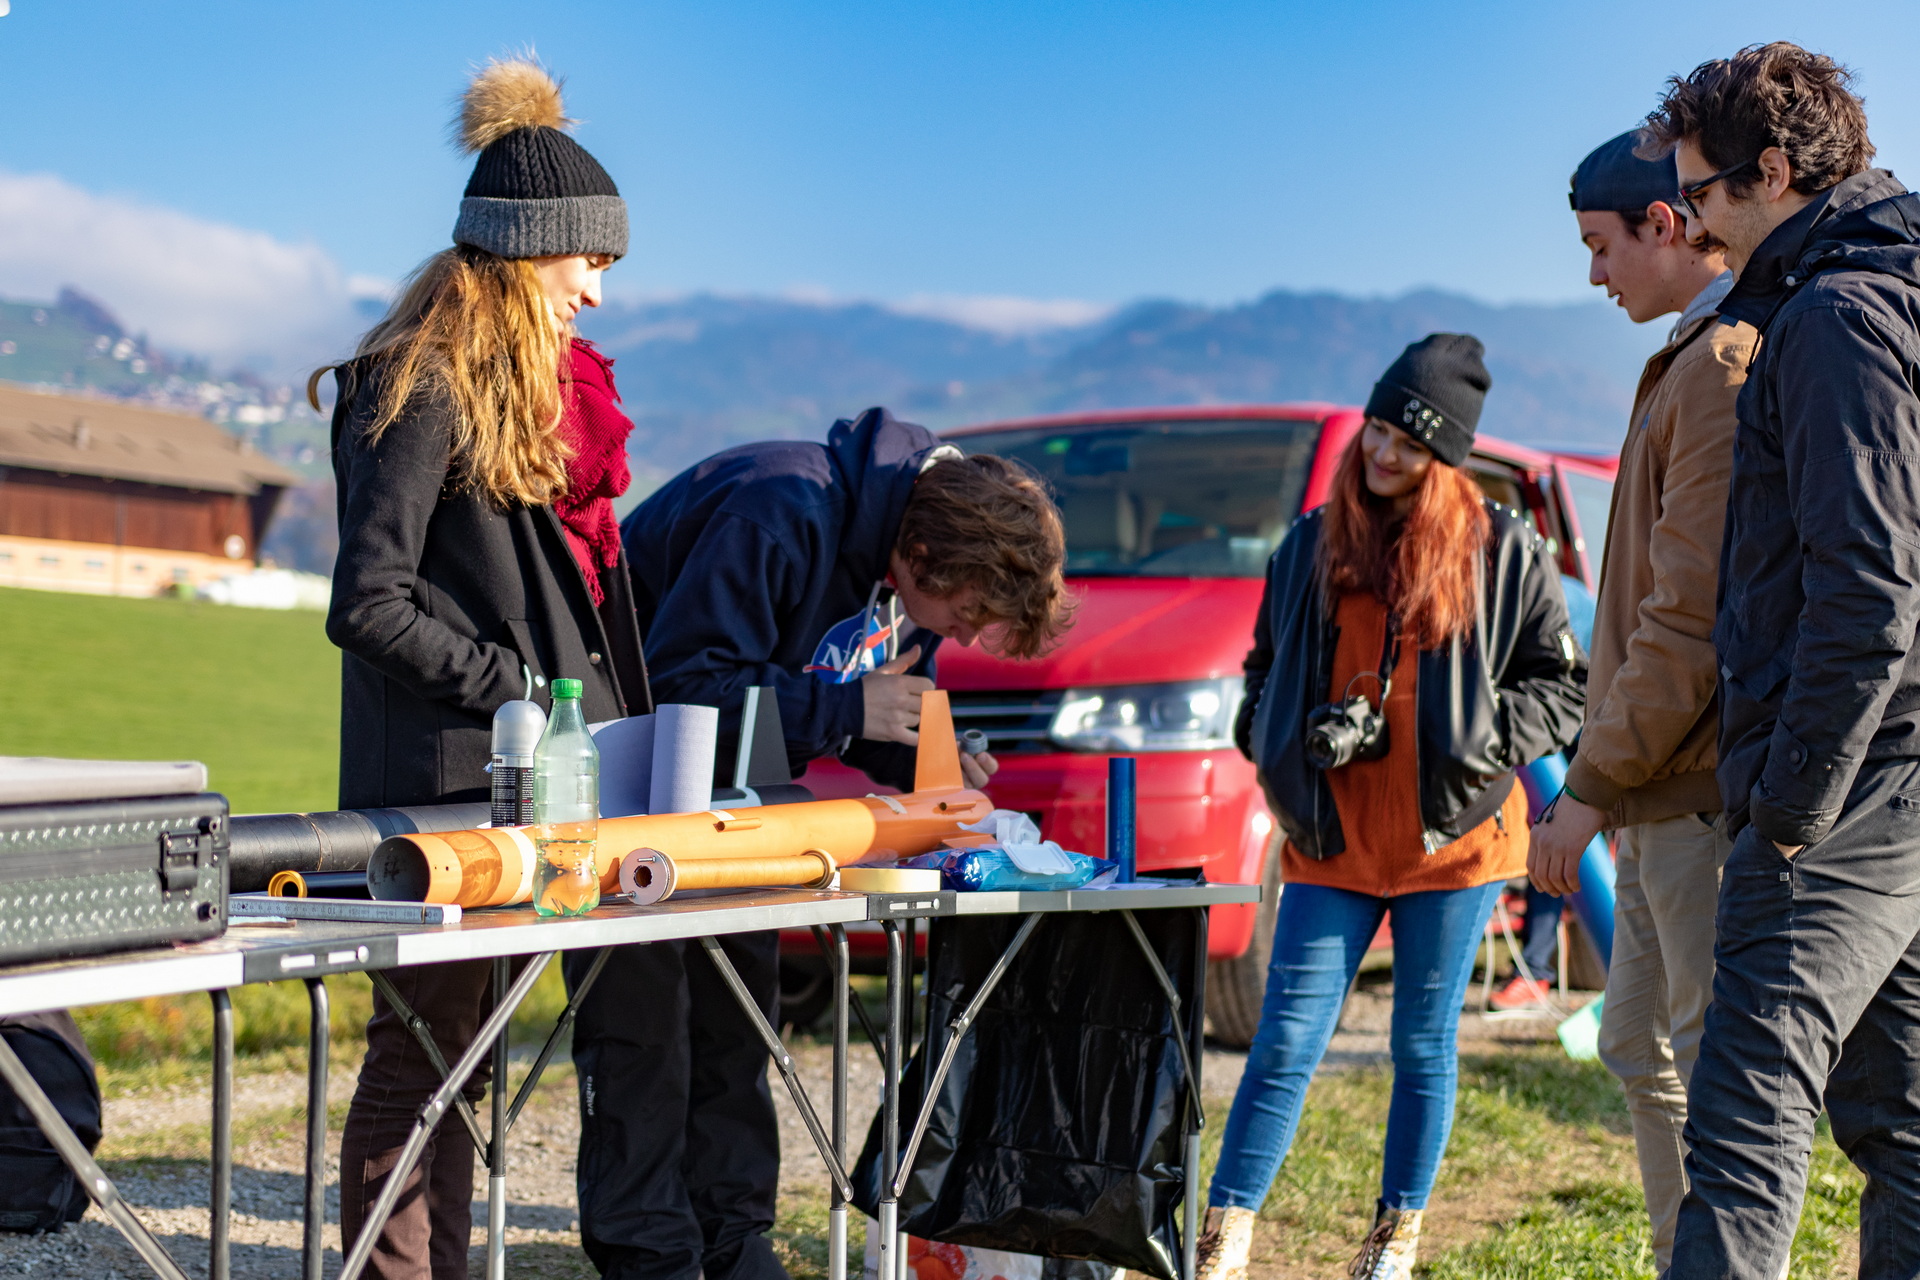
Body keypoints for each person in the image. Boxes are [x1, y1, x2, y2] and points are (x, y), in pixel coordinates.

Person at [563, 411, 1072, 1280]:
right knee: (646, 1036)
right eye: (969, 611)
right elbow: (684, 684)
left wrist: (925, 746)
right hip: (626, 795)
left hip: (743, 804)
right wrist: (844, 712)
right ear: (926, 557)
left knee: (737, 1028)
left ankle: (734, 1242)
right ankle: (650, 1255)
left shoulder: (903, 573)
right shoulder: (776, 507)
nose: (961, 634)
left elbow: (867, 703)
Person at [319, 59, 649, 1279]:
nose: (597, 295)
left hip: (521, 795)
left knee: (468, 1065)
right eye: (589, 264)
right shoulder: (418, 387)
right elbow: (369, 603)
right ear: (529, 251)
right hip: (438, 791)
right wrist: (519, 689)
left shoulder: (512, 390)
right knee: (422, 1061)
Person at [1207, 335, 1586, 1280]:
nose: (1381, 453)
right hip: (1331, 836)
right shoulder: (1309, 544)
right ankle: (1223, 1239)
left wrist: (1489, 741)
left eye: (1408, 442)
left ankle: (1393, 1242)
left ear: (1446, 456)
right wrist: (1270, 738)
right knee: (1285, 1039)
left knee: (1422, 1040)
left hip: (1451, 840)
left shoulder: (1500, 548)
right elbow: (1263, 670)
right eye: (1377, 429)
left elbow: (1561, 683)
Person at [1640, 44, 1920, 1278]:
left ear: (1774, 171)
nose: (1697, 225)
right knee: (1903, 1123)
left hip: (1844, 787)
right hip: (1895, 778)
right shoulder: (1884, 295)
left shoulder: (1834, 320)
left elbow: (1866, 589)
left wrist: (1793, 807)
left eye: (1702, 194)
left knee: (1744, 1131)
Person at [1521, 128, 1754, 1268]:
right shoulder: (1681, 358)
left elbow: (1686, 619)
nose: (1594, 275)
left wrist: (1589, 783)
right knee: (1636, 1043)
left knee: (1713, 1068)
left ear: (1667, 224)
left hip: (1694, 789)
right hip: (1658, 782)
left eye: (1601, 245)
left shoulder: (1716, 367)